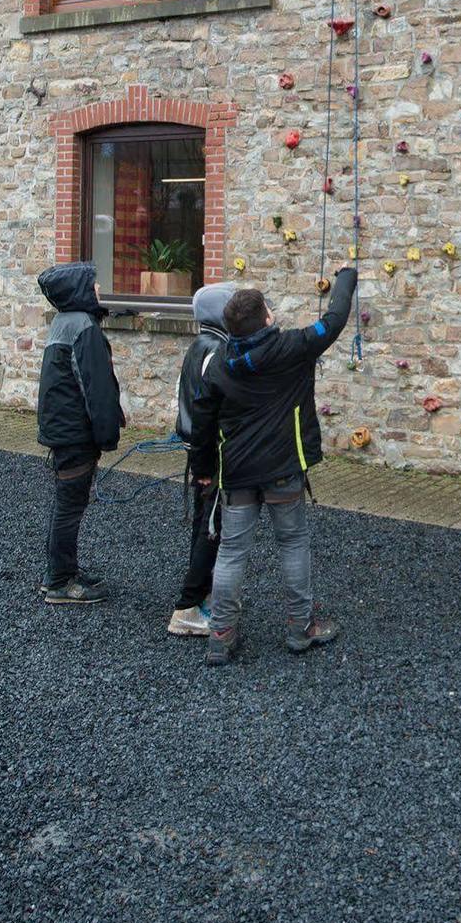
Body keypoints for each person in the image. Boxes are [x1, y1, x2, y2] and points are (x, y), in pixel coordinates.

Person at [189, 265, 358, 666]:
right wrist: (347, 279)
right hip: (283, 469)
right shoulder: (292, 347)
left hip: (239, 474)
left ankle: (222, 633)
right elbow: (333, 321)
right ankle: (300, 628)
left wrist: (204, 467)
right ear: (265, 318)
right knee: (293, 544)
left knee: (232, 551)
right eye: (268, 308)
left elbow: (203, 421)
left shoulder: (218, 363)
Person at [35, 261, 124, 604]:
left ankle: (64, 571)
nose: (99, 289)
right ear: (80, 290)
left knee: (66, 504)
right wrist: (107, 434)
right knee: (69, 507)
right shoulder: (83, 327)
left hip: (61, 431)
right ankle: (59, 581)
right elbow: (95, 388)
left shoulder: (66, 322)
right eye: (94, 284)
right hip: (73, 434)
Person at [166, 282, 234, 639]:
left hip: (200, 449)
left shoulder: (199, 346)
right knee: (211, 529)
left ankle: (201, 596)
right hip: (211, 453)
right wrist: (207, 464)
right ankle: (186, 609)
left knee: (202, 525)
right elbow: (206, 412)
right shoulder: (216, 351)